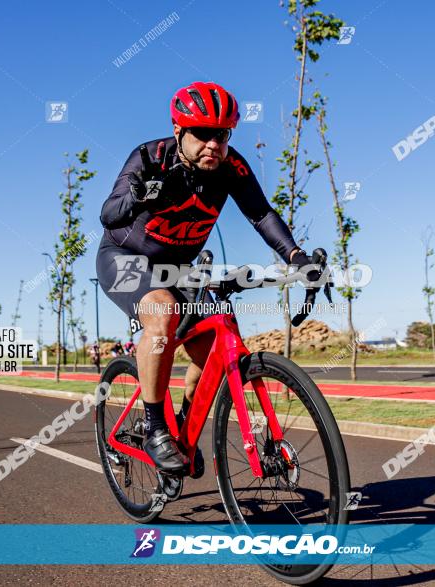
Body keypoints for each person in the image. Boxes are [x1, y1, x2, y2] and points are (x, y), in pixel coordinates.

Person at [96, 81, 319, 476]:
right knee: (162, 313)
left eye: (222, 135)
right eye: (202, 134)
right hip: (124, 258)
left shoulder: (231, 167)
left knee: (210, 348)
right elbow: (109, 214)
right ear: (180, 131)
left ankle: (181, 427)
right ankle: (154, 427)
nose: (213, 145)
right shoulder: (150, 157)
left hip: (177, 268)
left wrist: (295, 256)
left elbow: (261, 214)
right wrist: (137, 197)